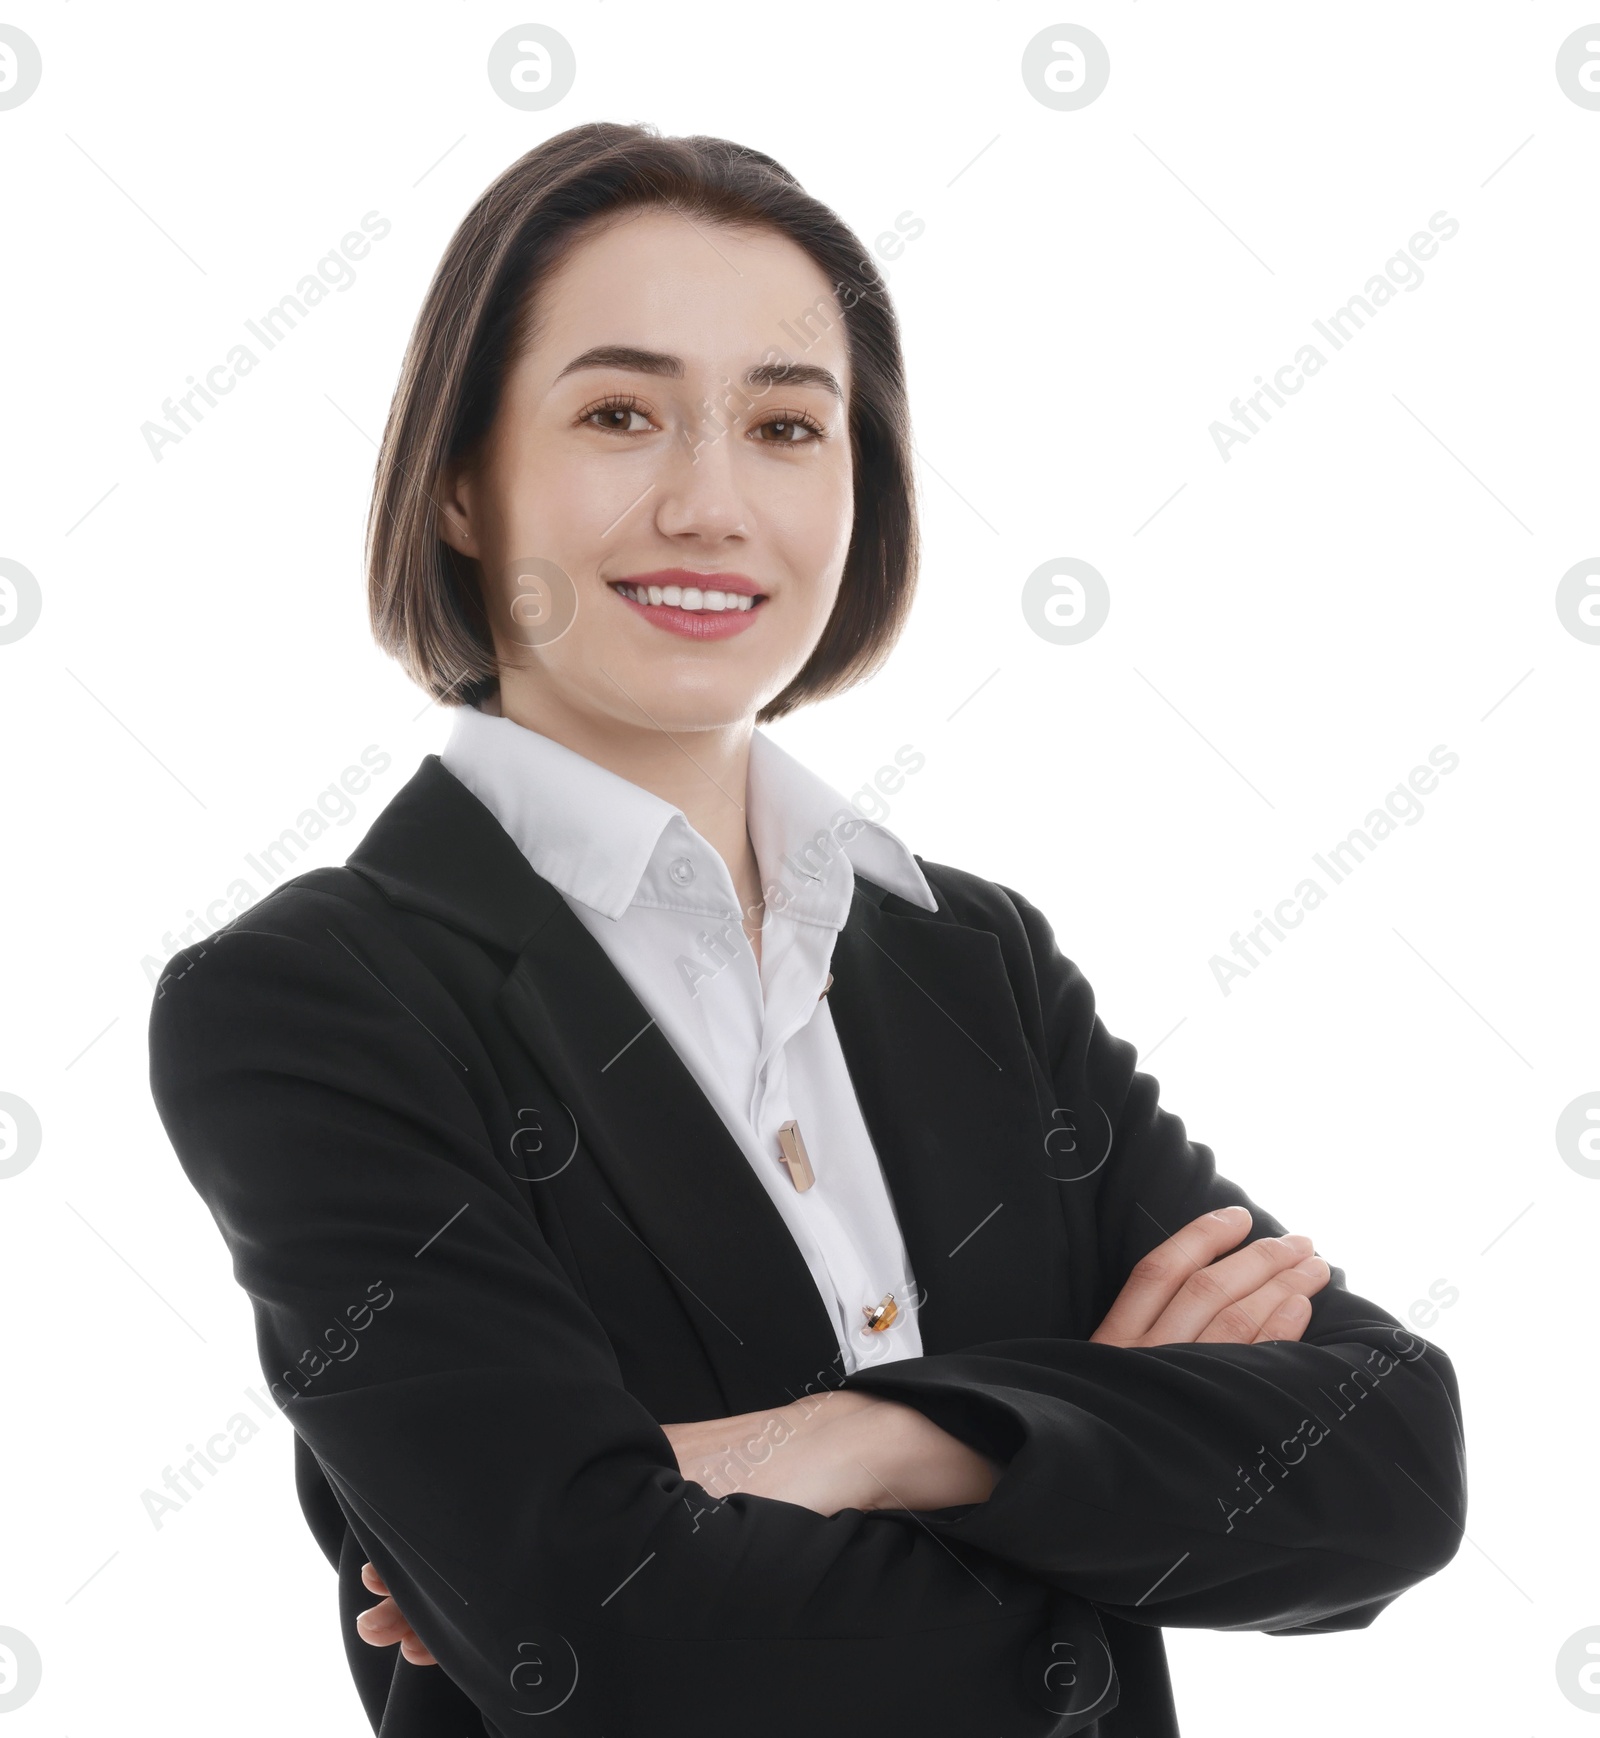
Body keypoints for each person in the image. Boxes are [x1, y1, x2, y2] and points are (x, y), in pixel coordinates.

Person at [147, 122, 1466, 1737]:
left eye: (785, 424)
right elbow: (619, 1640)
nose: (711, 503)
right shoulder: (311, 1005)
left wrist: (869, 1439)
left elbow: (1391, 1461)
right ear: (462, 485)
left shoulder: (973, 960)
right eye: (620, 412)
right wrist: (1101, 1475)